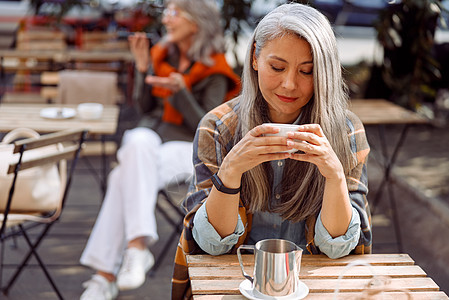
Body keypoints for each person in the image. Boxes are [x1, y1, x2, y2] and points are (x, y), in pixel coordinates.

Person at [171, 3, 372, 299]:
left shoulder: (344, 131)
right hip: (231, 285)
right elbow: (212, 245)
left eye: (307, 71)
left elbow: (338, 248)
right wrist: (230, 171)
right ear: (254, 57)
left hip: (316, 287)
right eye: (277, 67)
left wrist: (335, 176)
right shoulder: (219, 127)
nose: (290, 85)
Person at [79, 0, 240, 299]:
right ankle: (137, 248)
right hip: (152, 144)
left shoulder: (214, 68)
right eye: (166, 12)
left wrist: (181, 93)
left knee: (121, 177)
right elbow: (144, 108)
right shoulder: (162, 56)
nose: (166, 19)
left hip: (188, 149)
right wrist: (142, 70)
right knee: (138, 140)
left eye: (174, 13)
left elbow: (209, 127)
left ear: (196, 21)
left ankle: (104, 277)